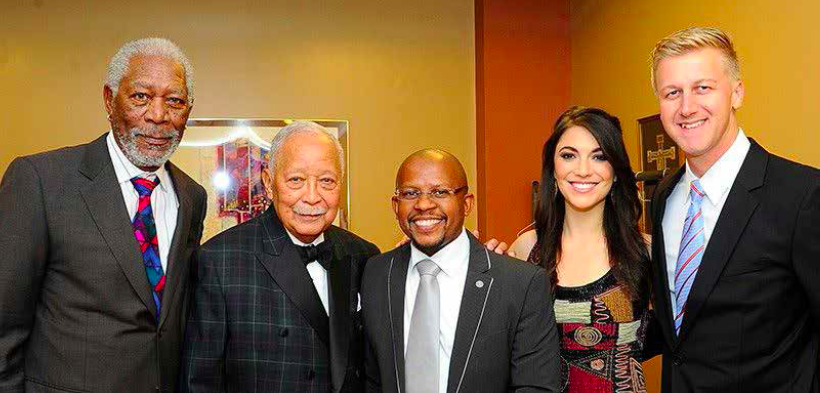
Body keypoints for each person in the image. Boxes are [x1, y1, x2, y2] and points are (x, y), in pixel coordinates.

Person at [0, 38, 206, 392]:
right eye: (141, 97)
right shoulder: (39, 181)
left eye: (174, 101)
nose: (158, 116)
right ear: (109, 100)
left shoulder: (191, 197)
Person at [649, 27, 820, 391]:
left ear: (737, 93)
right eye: (672, 93)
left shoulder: (803, 195)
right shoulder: (665, 197)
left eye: (703, 88)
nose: (687, 107)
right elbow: (681, 329)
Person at [181, 121, 379, 392]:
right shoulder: (219, 260)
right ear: (269, 183)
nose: (312, 197)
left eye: (326, 181)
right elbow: (199, 382)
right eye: (296, 180)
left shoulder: (363, 255)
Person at [362, 149, 561, 393]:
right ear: (396, 205)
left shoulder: (520, 284)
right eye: (410, 193)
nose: (424, 204)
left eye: (440, 192)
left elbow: (536, 387)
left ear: (467, 204)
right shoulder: (376, 273)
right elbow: (372, 378)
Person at [509, 106, 656, 391]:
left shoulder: (647, 252)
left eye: (599, 156)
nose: (583, 170)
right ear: (553, 168)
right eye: (569, 155)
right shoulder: (526, 250)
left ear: (615, 172)